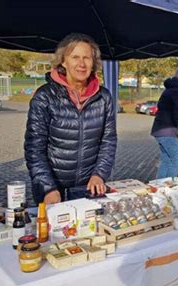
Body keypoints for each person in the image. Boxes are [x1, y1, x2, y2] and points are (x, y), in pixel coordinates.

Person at [24, 33, 117, 204]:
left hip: (88, 187)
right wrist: (47, 187)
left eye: (87, 58)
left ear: (93, 62)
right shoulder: (44, 97)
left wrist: (99, 175)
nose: (81, 64)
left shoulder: (104, 98)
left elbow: (108, 141)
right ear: (63, 61)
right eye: (75, 57)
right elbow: (34, 148)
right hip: (53, 189)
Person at [151, 67, 178, 179]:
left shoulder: (170, 89)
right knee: (176, 160)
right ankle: (169, 186)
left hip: (160, 129)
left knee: (166, 159)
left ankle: (159, 185)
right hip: (167, 130)